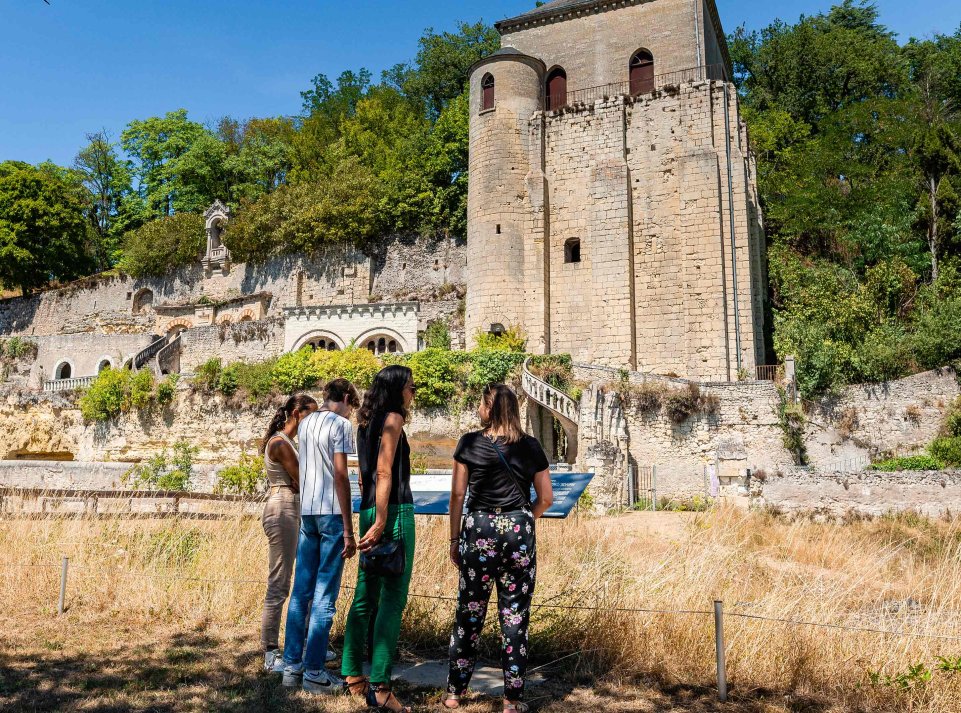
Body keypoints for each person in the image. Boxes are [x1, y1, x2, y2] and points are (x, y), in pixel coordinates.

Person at [442, 384, 554, 713]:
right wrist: (522, 519)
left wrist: (454, 539)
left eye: (481, 404)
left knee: (469, 613)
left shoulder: (469, 443)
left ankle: (455, 693)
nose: (478, 409)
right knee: (515, 616)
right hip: (518, 532)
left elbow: (458, 496)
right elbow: (546, 498)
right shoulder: (530, 446)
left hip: (479, 530)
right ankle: (512, 699)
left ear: (490, 408)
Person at [342, 365, 417, 713]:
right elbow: (384, 470)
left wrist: (373, 513)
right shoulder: (393, 420)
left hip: (368, 509)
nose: (413, 392)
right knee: (393, 598)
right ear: (397, 389)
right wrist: (385, 517)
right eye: (410, 386)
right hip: (394, 511)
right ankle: (381, 686)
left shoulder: (363, 424)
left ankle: (351, 674)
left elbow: (364, 476)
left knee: (365, 595)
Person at [281, 379, 361, 694]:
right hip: (331, 512)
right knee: (325, 595)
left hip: (308, 511)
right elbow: (341, 474)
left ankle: (292, 666)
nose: (351, 414)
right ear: (346, 398)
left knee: (301, 592)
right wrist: (349, 528)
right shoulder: (340, 425)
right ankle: (314, 671)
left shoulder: (306, 424)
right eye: (352, 407)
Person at [260, 393, 318, 674]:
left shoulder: (289, 442)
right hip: (283, 508)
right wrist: (299, 481)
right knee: (280, 581)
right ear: (297, 413)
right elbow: (304, 479)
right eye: (310, 414)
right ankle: (270, 652)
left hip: (291, 505)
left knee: (301, 578)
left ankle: (304, 643)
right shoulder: (281, 443)